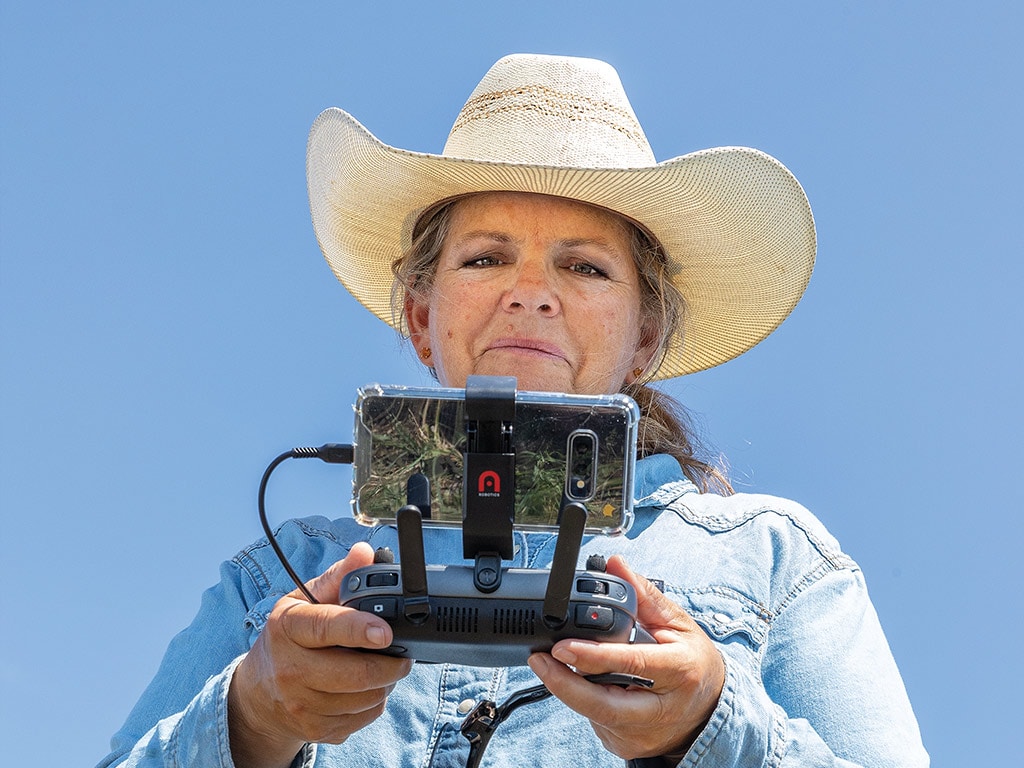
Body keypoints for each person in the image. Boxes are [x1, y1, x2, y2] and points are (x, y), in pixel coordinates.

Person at [98, 54, 928, 768]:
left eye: (587, 268)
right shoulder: (275, 579)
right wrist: (253, 715)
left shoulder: (775, 563)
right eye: (487, 256)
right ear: (422, 318)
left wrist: (713, 724)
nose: (530, 293)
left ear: (646, 337)